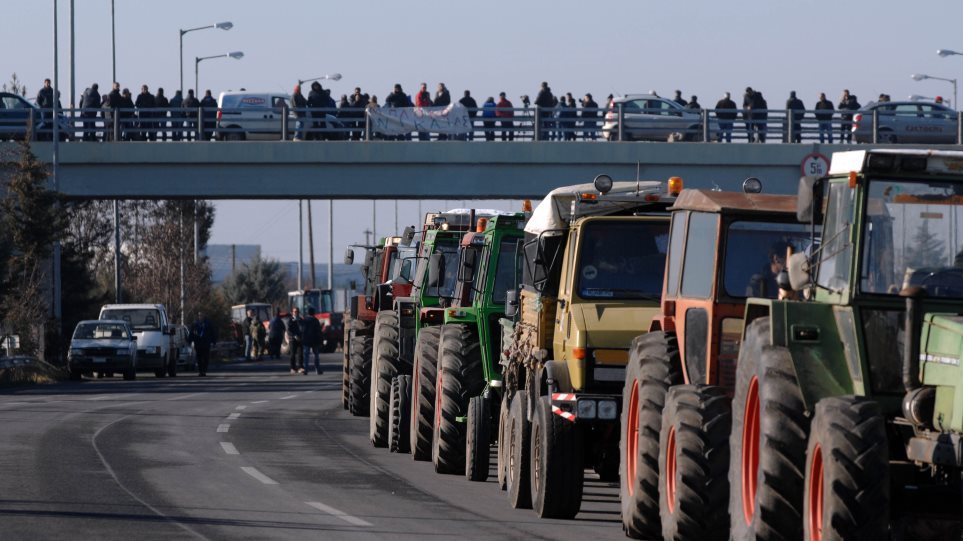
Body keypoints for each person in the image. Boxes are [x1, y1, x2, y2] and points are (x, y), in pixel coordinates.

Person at [189, 311, 216, 376]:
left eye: (201, 315)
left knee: (206, 358)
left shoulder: (208, 323)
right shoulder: (195, 324)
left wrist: (213, 341)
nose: (200, 316)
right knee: (199, 358)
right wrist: (190, 341)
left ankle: (204, 370)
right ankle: (201, 371)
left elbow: (213, 333)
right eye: (199, 315)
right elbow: (191, 333)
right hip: (198, 343)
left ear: (204, 316)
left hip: (206, 343)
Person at [302, 308, 323, 374]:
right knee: (316, 355)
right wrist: (321, 341)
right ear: (313, 313)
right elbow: (319, 332)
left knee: (306, 356)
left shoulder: (304, 320)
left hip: (306, 340)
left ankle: (306, 369)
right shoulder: (316, 320)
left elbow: (302, 330)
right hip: (315, 340)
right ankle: (317, 369)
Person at [286, 307, 305, 374]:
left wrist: (302, 336)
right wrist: (294, 336)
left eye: (297, 311)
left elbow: (303, 328)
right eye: (294, 311)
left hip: (300, 339)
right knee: (293, 354)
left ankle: (300, 367)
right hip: (292, 339)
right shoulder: (290, 320)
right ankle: (293, 368)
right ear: (292, 312)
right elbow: (288, 330)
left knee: (300, 354)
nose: (296, 313)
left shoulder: (301, 320)